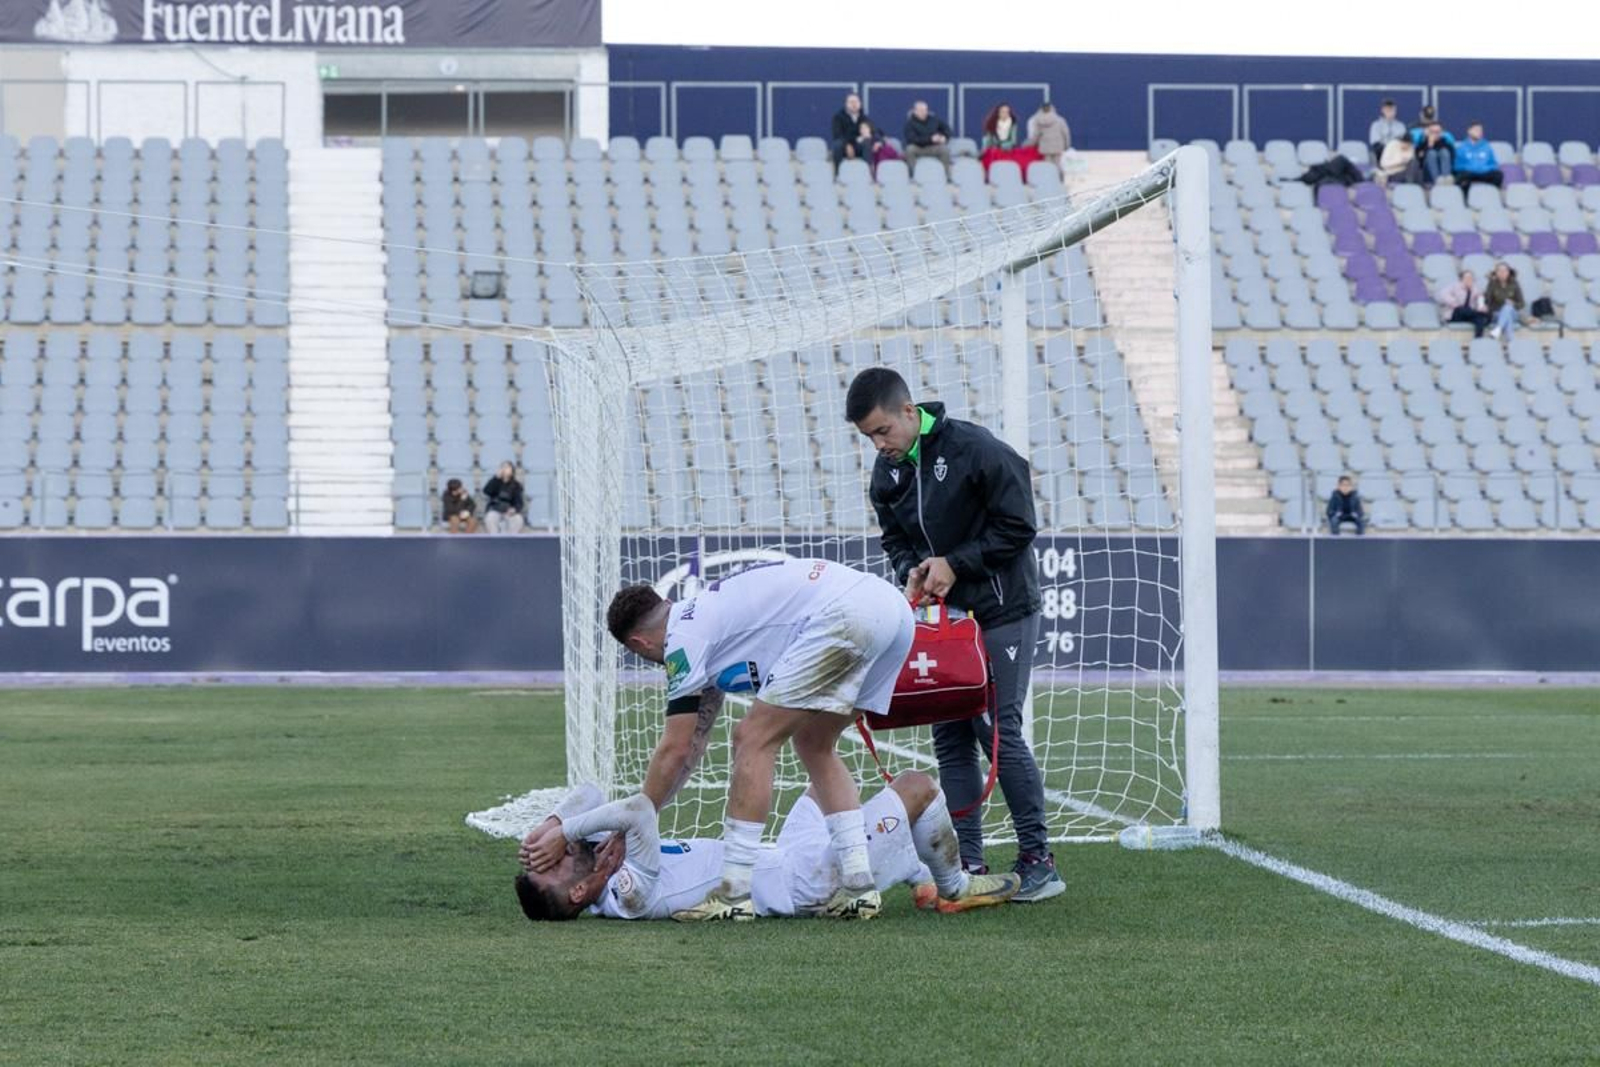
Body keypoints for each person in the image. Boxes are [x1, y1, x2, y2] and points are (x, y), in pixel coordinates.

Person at [846, 368, 1064, 903]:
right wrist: (912, 569)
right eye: (869, 437)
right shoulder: (888, 471)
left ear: (907, 412)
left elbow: (1019, 525)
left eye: (881, 431)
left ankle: (1039, 860)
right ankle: (968, 860)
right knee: (949, 735)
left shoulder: (975, 448)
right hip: (945, 621)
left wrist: (955, 564)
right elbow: (894, 538)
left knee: (996, 730)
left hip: (1001, 608)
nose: (879, 445)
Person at [604, 557, 915, 921]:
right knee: (814, 743)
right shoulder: (706, 622)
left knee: (752, 738)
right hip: (893, 610)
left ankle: (734, 892)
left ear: (639, 644)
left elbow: (674, 748)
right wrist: (650, 813)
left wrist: (638, 818)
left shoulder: (681, 642)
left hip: (844, 613)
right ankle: (859, 886)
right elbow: (692, 746)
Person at [514, 772, 1021, 922]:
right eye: (552, 865)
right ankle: (954, 886)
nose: (554, 852)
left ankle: (920, 878)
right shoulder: (626, 892)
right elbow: (641, 810)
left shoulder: (598, 861)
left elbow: (589, 791)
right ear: (580, 892)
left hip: (783, 855)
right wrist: (569, 833)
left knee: (826, 772)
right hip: (807, 884)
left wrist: (555, 821)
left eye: (547, 852)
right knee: (919, 787)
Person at [978, 102, 1042, 176]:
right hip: (995, 150)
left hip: (1008, 150)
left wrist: (1004, 146)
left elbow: (1013, 141)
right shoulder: (992, 124)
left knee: (1028, 154)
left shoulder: (1012, 124)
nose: (1005, 114)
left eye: (1007, 112)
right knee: (993, 153)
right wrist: (995, 145)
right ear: (998, 113)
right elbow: (988, 142)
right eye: (1003, 112)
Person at [902, 100, 954, 171]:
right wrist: (930, 139)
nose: (924, 112)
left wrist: (944, 137)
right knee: (909, 149)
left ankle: (945, 174)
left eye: (925, 110)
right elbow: (912, 139)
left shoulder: (934, 120)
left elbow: (947, 129)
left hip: (933, 147)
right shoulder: (909, 124)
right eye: (921, 110)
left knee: (944, 150)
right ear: (915, 111)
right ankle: (913, 174)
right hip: (918, 148)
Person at [1437, 269, 1489, 337]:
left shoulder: (1475, 288)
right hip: (1455, 314)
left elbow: (1480, 299)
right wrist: (1454, 303)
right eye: (1467, 278)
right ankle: (1481, 314)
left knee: (1479, 319)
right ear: (1461, 279)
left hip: (1469, 314)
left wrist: (1481, 306)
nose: (1469, 279)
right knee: (1462, 309)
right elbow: (1442, 294)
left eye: (1471, 278)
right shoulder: (1455, 286)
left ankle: (1477, 339)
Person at [1453, 122, 1503, 192]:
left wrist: (1484, 168)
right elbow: (1457, 166)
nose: (1479, 133)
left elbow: (1493, 164)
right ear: (1469, 131)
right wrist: (1471, 168)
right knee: (1461, 177)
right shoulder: (1462, 148)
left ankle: (1490, 195)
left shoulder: (1487, 147)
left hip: (1484, 173)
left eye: (1481, 131)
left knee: (1498, 175)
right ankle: (1465, 200)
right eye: (1476, 130)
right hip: (1469, 174)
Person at [1485, 261, 1526, 341]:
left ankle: (1498, 328)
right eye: (1499, 271)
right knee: (1508, 318)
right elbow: (1487, 302)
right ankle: (1511, 341)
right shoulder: (1492, 283)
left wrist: (1513, 304)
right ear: (1496, 273)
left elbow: (1522, 303)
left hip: (1513, 312)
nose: (1502, 273)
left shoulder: (1514, 283)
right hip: (1497, 313)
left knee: (1508, 308)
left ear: (1508, 272)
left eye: (1504, 271)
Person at [481, 461, 525, 534]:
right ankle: (494, 538)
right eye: (502, 467)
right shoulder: (495, 481)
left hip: (509, 510)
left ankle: (510, 539)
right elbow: (487, 491)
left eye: (507, 467)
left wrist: (514, 509)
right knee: (490, 517)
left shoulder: (516, 485)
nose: (504, 469)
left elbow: (519, 502)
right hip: (495, 509)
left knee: (518, 519)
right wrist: (496, 478)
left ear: (512, 471)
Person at [829, 93, 871, 169]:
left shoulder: (864, 118)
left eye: (856, 102)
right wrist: (847, 145)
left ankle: (867, 171)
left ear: (860, 104)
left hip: (858, 146)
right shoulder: (838, 117)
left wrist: (879, 141)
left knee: (867, 142)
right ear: (846, 104)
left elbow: (874, 131)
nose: (854, 104)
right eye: (851, 102)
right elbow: (837, 134)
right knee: (837, 144)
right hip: (844, 146)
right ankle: (838, 173)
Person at [1026, 101, 1071, 171]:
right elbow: (1066, 134)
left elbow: (1036, 135)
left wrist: (1030, 144)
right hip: (1058, 147)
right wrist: (1067, 145)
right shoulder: (1060, 120)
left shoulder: (1038, 121)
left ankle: (1049, 179)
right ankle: (1059, 179)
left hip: (1045, 148)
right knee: (1058, 164)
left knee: (1048, 166)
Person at [1412, 121, 1455, 186]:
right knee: (1431, 153)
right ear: (1428, 132)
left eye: (1437, 132)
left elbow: (1451, 160)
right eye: (1432, 132)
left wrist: (1439, 144)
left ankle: (1445, 180)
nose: (1435, 134)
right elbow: (1419, 161)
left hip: (1444, 173)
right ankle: (1437, 182)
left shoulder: (1447, 144)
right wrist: (1429, 145)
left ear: (1441, 133)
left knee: (1444, 151)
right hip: (1426, 172)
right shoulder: (1422, 144)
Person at [1368, 98, 1407, 164]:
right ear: (1382, 110)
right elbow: (1375, 144)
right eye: (1387, 110)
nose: (1390, 112)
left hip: (1398, 154)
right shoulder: (1376, 125)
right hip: (1382, 155)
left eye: (1392, 110)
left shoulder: (1401, 126)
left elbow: (1404, 142)